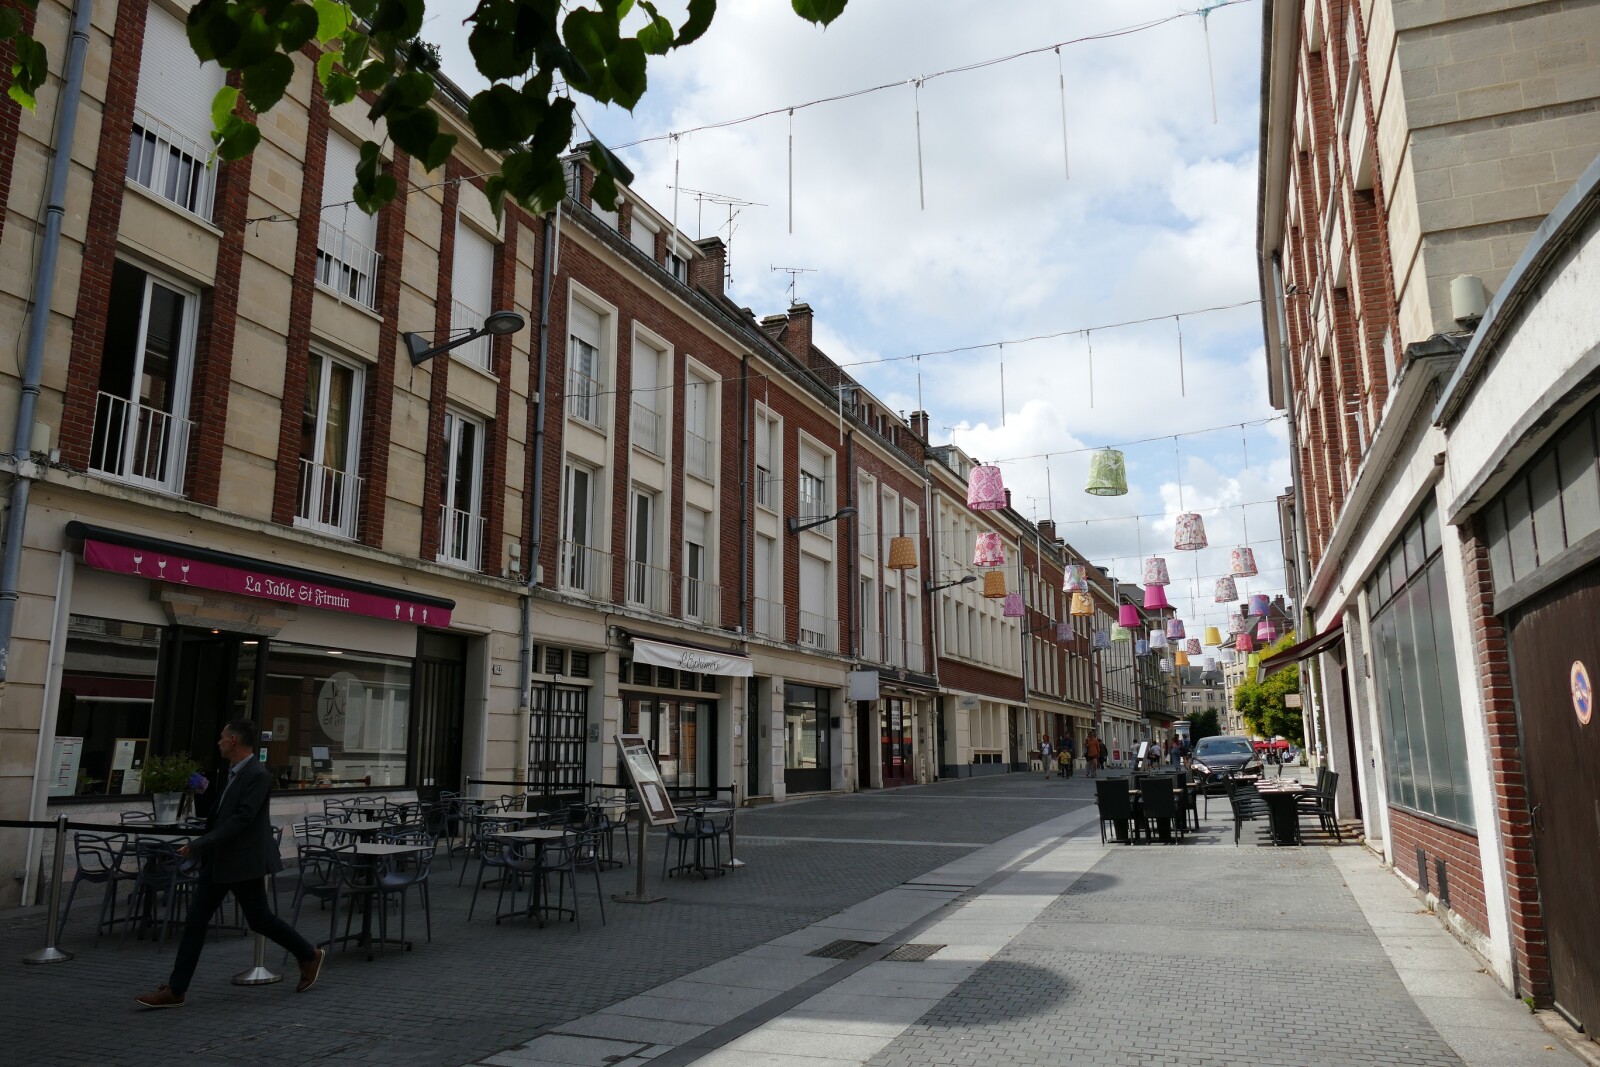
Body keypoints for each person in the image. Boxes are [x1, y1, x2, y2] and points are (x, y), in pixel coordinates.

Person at [136, 720, 325, 1009]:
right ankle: (176, 990)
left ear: (234, 741)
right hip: (220, 860)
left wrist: (200, 844)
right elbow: (225, 816)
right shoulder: (236, 774)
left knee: (259, 919)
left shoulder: (258, 775)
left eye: (222, 737)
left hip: (242, 862)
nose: (219, 742)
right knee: (196, 921)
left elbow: (243, 819)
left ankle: (308, 955)